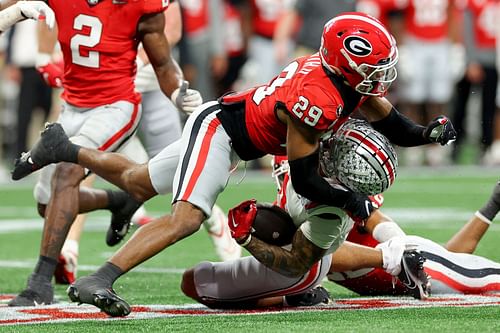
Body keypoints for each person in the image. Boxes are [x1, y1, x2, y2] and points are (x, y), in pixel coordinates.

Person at [13, 12, 456, 316]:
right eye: (374, 67)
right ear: (348, 64)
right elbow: (304, 178)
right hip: (221, 131)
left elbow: (395, 123)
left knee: (138, 180)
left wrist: (428, 133)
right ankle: (100, 278)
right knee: (187, 218)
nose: (381, 77)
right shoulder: (317, 98)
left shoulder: (344, 80)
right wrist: (354, 201)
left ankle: (63, 148)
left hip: (233, 136)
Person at [8, 0, 203, 307]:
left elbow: (164, 63)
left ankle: (39, 282)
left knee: (67, 172)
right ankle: (118, 200)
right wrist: (16, 12)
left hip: (116, 107)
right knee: (48, 205)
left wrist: (178, 92)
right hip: (70, 106)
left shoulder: (141, 7)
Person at [179, 119, 429, 310]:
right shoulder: (307, 143)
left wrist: (247, 240)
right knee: (195, 280)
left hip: (308, 264)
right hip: (318, 257)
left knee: (195, 282)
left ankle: (291, 296)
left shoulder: (332, 206)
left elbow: (298, 263)